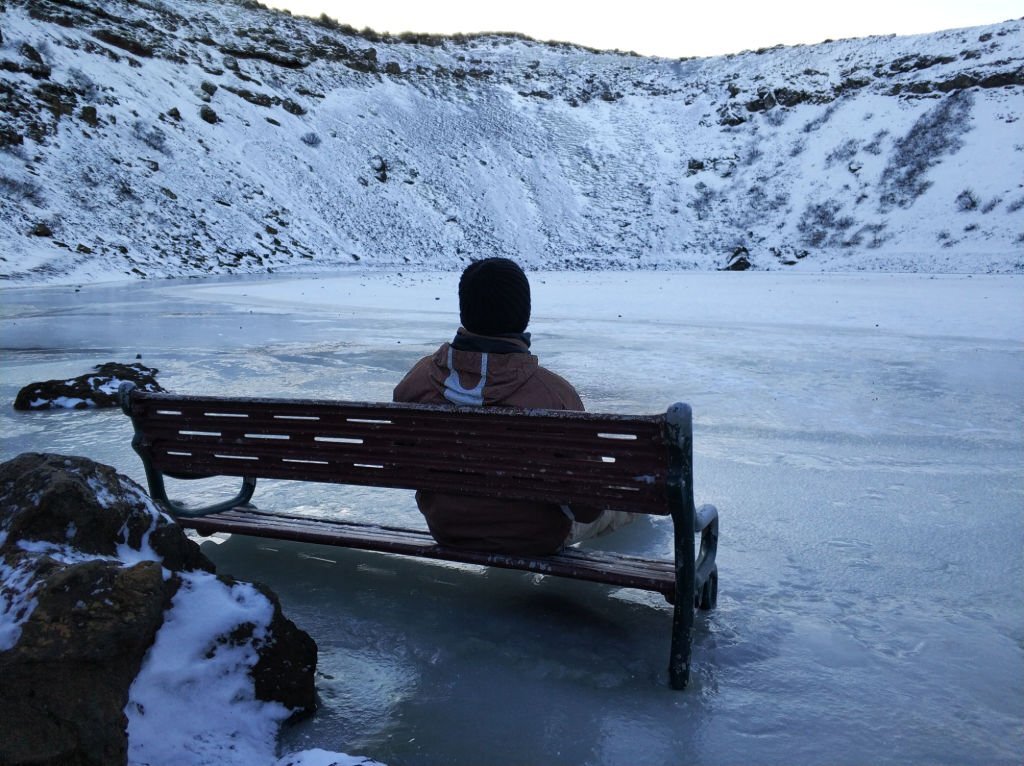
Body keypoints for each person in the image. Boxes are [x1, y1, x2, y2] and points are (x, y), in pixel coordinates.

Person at [393, 257, 632, 555]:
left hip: (447, 527)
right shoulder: (553, 395)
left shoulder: (417, 381)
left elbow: (403, 465)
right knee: (623, 509)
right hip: (535, 536)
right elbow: (588, 509)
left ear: (464, 308)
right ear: (524, 314)